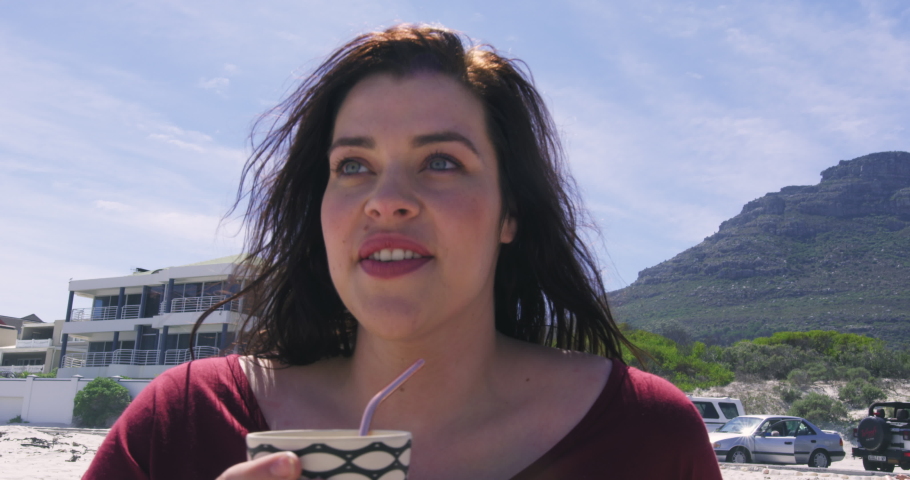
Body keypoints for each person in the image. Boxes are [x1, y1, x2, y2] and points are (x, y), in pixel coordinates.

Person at [84, 25, 722, 480]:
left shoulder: (646, 437)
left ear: (511, 213)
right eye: (354, 165)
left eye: (441, 162)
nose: (386, 201)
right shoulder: (184, 422)